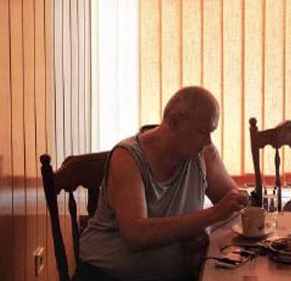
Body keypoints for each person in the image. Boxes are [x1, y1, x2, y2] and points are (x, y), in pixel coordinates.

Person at [77, 86, 250, 281]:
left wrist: (206, 230)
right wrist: (212, 215)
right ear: (174, 122)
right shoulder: (127, 157)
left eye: (211, 132)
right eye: (203, 131)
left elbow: (238, 207)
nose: (208, 141)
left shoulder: (203, 153)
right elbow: (135, 234)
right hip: (107, 275)